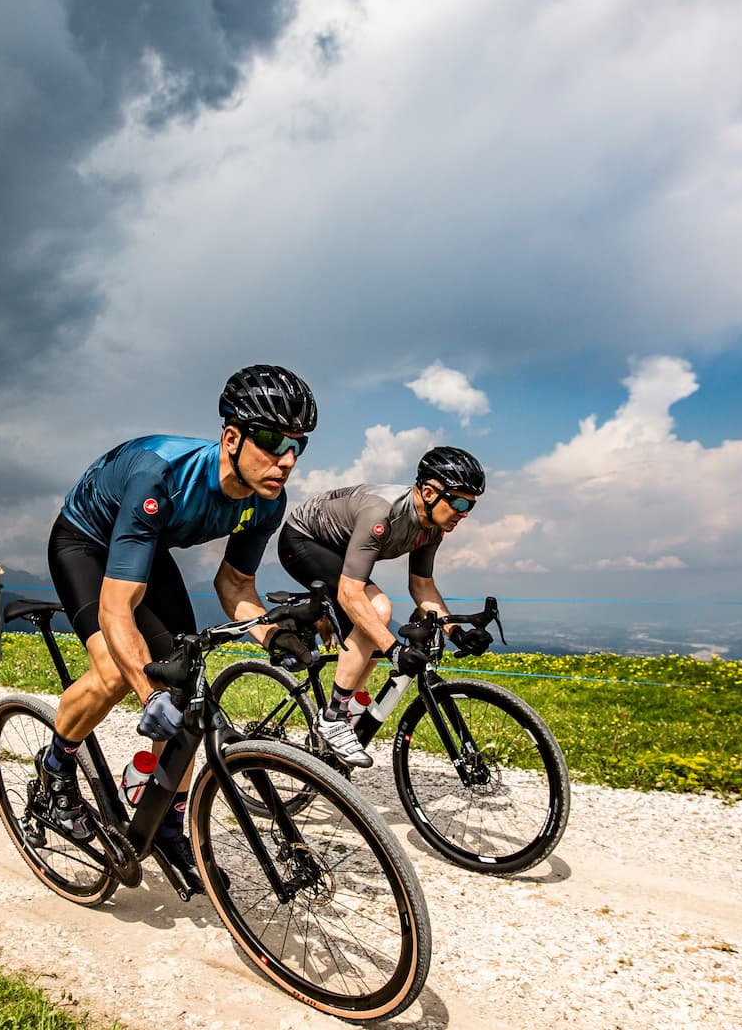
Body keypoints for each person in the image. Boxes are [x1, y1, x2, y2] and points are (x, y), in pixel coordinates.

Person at [38, 364, 320, 886]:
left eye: (297, 447)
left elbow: (235, 587)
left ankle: (164, 817)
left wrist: (275, 634)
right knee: (117, 672)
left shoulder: (267, 502)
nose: (285, 459)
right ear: (231, 437)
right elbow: (116, 610)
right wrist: (149, 695)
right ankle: (55, 768)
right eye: (270, 440)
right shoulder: (161, 476)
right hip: (84, 541)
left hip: (147, 542)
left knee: (187, 684)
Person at [276, 446, 492, 767]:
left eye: (471, 505)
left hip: (342, 549)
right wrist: (394, 649)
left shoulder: (432, 528)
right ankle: (334, 717)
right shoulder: (383, 513)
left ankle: (347, 705)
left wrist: (455, 631)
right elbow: (350, 592)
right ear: (429, 492)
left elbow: (422, 585)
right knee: (377, 611)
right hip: (305, 540)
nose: (464, 512)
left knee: (374, 630)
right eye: (459, 502)